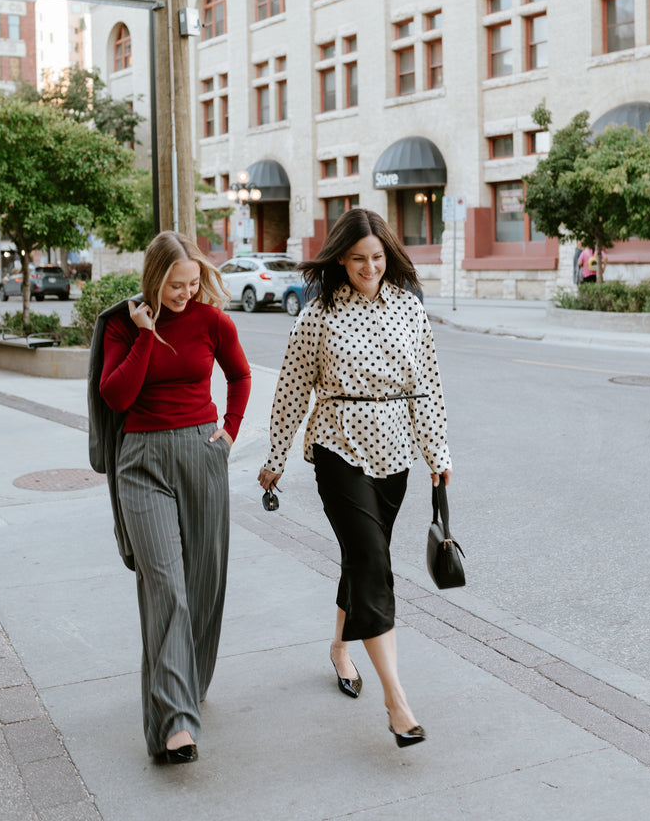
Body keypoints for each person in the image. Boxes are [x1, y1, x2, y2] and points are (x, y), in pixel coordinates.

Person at [258, 208, 452, 748]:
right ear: (339, 259)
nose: (370, 267)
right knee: (372, 560)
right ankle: (397, 702)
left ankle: (341, 648)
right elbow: (292, 391)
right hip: (337, 447)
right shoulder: (317, 316)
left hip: (396, 455)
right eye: (358, 258)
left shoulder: (410, 311)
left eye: (378, 257)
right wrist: (275, 456)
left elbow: (429, 386)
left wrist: (438, 452)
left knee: (364, 558)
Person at [99, 231, 251, 764]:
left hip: (201, 453)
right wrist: (145, 335)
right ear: (154, 277)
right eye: (175, 285)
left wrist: (229, 432)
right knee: (165, 585)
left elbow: (240, 375)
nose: (186, 294)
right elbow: (116, 395)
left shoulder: (212, 321)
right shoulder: (124, 324)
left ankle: (188, 681)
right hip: (141, 462)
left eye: (193, 284)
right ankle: (175, 722)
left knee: (204, 582)